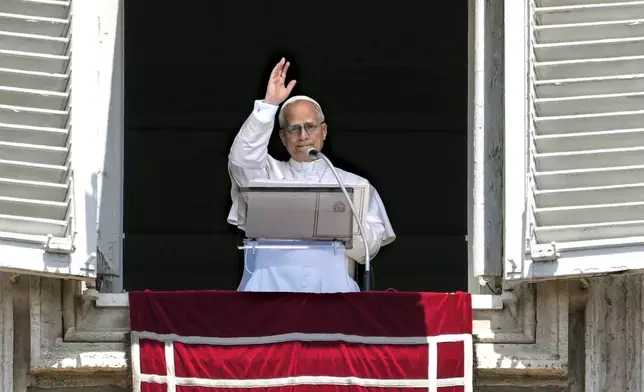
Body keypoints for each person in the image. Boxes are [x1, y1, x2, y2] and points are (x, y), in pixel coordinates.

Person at [227, 58, 396, 293]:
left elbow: (369, 247)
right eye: (294, 129)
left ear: (323, 131)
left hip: (333, 294)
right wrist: (268, 105)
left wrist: (333, 222)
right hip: (268, 294)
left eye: (310, 126)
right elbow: (241, 159)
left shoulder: (353, 184)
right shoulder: (267, 176)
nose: (303, 135)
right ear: (283, 137)